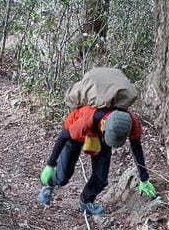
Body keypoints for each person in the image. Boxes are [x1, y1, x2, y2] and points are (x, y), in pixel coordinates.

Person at [37, 83, 158, 215]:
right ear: (105, 125)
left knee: (101, 178)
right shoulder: (86, 119)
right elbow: (63, 137)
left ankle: (86, 201)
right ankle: (48, 184)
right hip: (77, 135)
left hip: (101, 137)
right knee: (63, 177)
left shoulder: (131, 122)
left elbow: (137, 149)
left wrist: (144, 179)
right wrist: (50, 164)